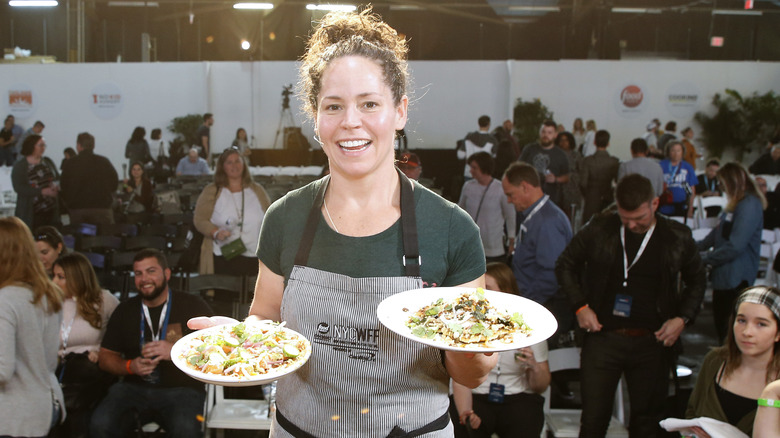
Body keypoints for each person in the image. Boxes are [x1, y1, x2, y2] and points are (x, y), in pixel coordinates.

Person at [190, 10, 495, 437]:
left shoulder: (451, 228)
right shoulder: (285, 217)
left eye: (369, 103)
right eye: (334, 106)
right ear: (316, 118)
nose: (351, 122)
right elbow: (266, 318)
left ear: (400, 111)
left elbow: (472, 375)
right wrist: (237, 344)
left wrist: (468, 348)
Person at [555, 173, 706, 437]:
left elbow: (698, 280)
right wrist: (580, 306)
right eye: (626, 219)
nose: (633, 225)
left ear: (654, 204)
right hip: (603, 337)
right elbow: (565, 264)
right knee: (593, 421)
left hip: (653, 341)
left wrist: (682, 318)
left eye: (640, 218)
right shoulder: (601, 227)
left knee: (647, 422)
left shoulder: (676, 236)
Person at [90, 249, 213, 438]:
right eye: (138, 273)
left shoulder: (192, 305)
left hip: (182, 389)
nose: (144, 278)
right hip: (133, 388)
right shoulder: (125, 310)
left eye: (151, 271)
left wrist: (176, 351)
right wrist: (130, 366)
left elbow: (217, 348)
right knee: (100, 424)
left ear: (167, 274)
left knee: (187, 431)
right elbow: (105, 358)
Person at [451, 262, 551, 438]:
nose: (481, 294)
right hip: (478, 396)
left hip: (517, 396)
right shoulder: (466, 324)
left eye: (487, 288)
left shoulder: (531, 323)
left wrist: (534, 366)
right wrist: (466, 412)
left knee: (528, 417)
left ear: (506, 292)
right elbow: (460, 378)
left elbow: (541, 386)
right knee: (463, 424)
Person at [0, 216, 65, 438]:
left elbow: (2, 370)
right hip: (42, 407)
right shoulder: (49, 294)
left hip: (12, 417)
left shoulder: (5, 300)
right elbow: (48, 362)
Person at [685, 286, 780, 437]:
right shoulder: (715, 361)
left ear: (778, 333)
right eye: (741, 320)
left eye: (761, 324)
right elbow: (692, 412)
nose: (747, 332)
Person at [502, 162, 573, 347]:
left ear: (525, 187)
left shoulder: (548, 222)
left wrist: (525, 305)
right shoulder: (534, 216)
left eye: (511, 194)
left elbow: (550, 275)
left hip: (541, 306)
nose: (509, 201)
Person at [50, 253, 119, 438]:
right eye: (54, 276)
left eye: (61, 277)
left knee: (77, 401)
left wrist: (102, 349)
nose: (54, 281)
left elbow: (123, 333)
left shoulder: (104, 300)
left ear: (76, 278)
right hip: (57, 366)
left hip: (89, 367)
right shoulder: (50, 302)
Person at [698, 162, 766, 343]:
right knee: (722, 329)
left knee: (729, 333)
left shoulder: (749, 205)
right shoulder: (735, 204)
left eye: (722, 183)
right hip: (724, 276)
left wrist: (706, 258)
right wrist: (697, 247)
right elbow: (718, 232)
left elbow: (736, 245)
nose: (721, 188)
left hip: (736, 277)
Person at [194, 147, 271, 277]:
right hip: (223, 255)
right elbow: (199, 219)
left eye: (237, 161)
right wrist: (215, 232)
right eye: (229, 162)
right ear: (222, 167)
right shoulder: (212, 191)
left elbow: (271, 217)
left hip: (254, 255)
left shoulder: (257, 190)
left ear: (244, 164)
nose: (234, 165)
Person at [458, 152, 516, 264]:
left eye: (474, 168)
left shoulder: (500, 189)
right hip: (471, 246)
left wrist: (511, 240)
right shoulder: (468, 186)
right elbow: (461, 210)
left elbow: (510, 216)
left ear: (484, 168)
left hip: (494, 248)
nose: (471, 171)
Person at [61, 132, 119, 226]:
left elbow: (63, 186)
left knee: (80, 239)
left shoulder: (70, 163)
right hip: (102, 209)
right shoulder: (104, 162)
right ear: (93, 146)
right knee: (106, 239)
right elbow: (114, 184)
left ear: (79, 146)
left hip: (78, 210)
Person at [12, 134, 60, 229]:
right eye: (40, 145)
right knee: (35, 238)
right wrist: (41, 191)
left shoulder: (47, 162)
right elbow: (18, 187)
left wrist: (56, 186)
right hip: (31, 212)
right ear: (32, 146)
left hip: (50, 211)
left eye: (44, 145)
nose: (43, 148)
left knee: (48, 238)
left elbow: (57, 178)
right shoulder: (20, 166)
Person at [519, 119, 571, 208]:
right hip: (528, 197)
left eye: (549, 133)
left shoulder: (561, 155)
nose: (545, 135)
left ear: (555, 135)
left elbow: (567, 177)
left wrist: (556, 179)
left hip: (550, 199)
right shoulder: (529, 149)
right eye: (543, 132)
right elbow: (518, 168)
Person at [580, 129, 619, 222]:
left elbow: (583, 183)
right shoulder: (614, 161)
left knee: (589, 225)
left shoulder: (588, 161)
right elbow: (617, 181)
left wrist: (587, 194)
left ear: (594, 142)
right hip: (607, 195)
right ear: (608, 143)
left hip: (591, 196)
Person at [659, 140, 698, 218]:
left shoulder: (688, 167)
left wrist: (690, 209)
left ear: (682, 152)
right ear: (668, 152)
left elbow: (692, 190)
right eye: (673, 150)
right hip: (664, 205)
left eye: (678, 150)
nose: (676, 153)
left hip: (682, 206)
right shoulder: (661, 165)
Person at [457, 115, 498, 180]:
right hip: (484, 173)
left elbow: (460, 155)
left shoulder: (468, 137)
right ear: (489, 124)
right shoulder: (492, 140)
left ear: (478, 124)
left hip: (470, 172)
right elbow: (494, 156)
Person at [556, 131, 583, 221]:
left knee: (570, 218)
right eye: (561, 140)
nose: (563, 143)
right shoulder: (554, 154)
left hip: (572, 189)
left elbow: (581, 171)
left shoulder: (576, 155)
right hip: (557, 189)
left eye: (566, 140)